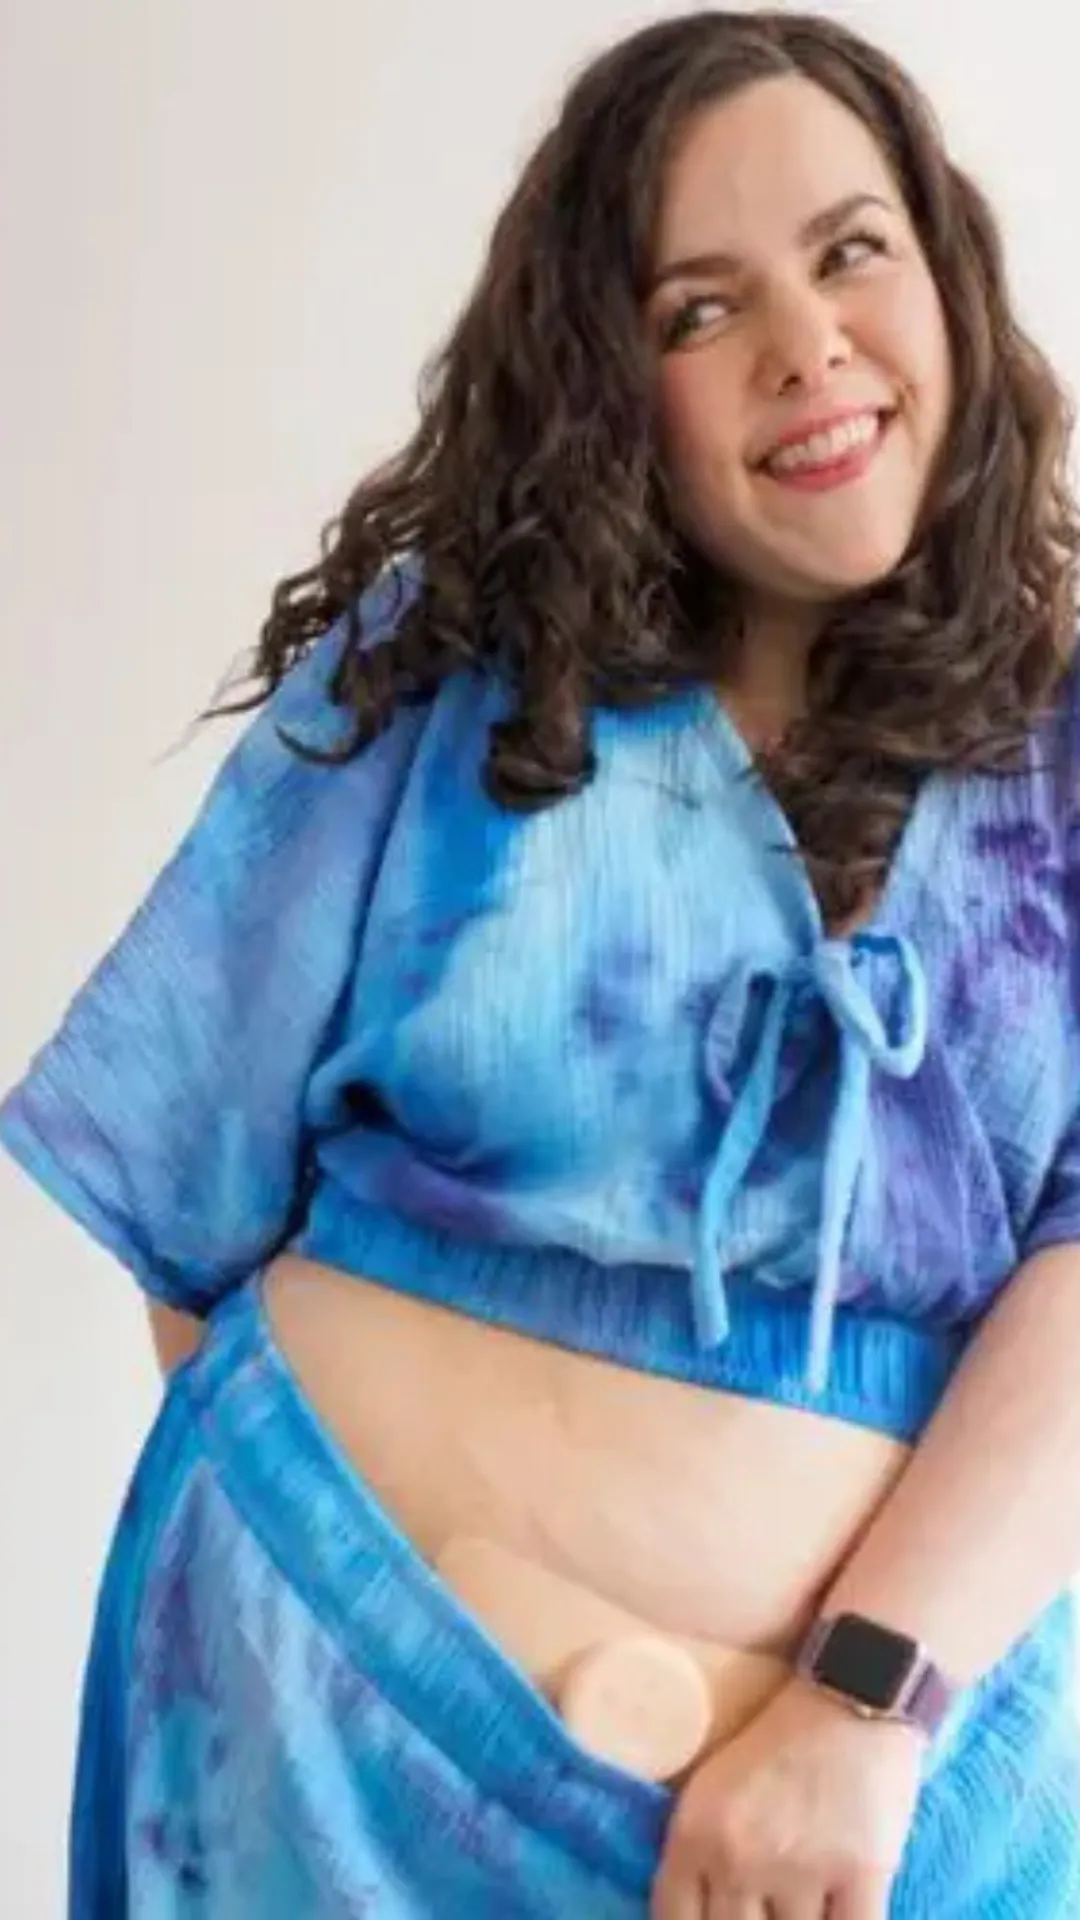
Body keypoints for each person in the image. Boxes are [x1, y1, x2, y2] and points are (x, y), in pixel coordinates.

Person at [6, 6, 1080, 1914]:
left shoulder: (1063, 752)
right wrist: (337, 1576)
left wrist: (860, 1707)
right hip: (318, 1760)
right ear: (608, 379)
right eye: (699, 308)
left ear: (944, 275)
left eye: (850, 251)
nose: (805, 343)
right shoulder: (442, 681)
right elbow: (188, 1198)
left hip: (894, 1826)